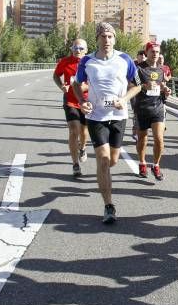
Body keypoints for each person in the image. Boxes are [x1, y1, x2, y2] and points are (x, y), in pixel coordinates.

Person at [73, 23, 142, 224]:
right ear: (97, 39)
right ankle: (109, 205)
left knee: (112, 161)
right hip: (96, 117)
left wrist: (124, 99)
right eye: (103, 36)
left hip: (119, 116)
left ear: (115, 39)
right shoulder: (87, 61)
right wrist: (81, 101)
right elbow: (78, 84)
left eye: (110, 36)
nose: (107, 40)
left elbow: (137, 86)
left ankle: (105, 177)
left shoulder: (125, 59)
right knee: (103, 161)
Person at [52, 39, 90, 177]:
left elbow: (96, 81)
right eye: (75, 47)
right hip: (70, 101)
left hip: (87, 101)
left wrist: (85, 87)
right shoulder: (65, 61)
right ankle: (75, 165)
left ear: (86, 50)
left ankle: (83, 147)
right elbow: (56, 75)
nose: (77, 50)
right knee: (74, 131)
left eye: (81, 48)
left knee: (84, 132)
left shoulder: (90, 62)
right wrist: (61, 86)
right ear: (71, 49)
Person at [134, 41, 171, 181]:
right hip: (142, 108)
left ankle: (156, 165)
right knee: (142, 139)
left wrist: (166, 90)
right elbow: (131, 85)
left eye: (157, 52)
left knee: (159, 139)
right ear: (146, 52)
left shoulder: (161, 70)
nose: (155, 54)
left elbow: (161, 87)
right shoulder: (138, 69)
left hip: (158, 107)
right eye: (152, 51)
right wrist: (144, 86)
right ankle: (142, 163)